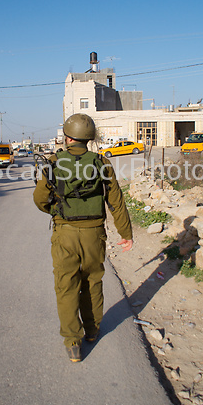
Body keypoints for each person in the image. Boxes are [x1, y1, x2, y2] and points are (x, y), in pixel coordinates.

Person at [33, 113, 133, 362]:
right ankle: (92, 330)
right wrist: (126, 233)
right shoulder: (101, 163)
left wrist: (55, 213)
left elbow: (39, 199)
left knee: (66, 286)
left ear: (67, 137)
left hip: (64, 233)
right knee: (92, 281)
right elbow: (116, 202)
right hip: (94, 234)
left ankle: (73, 342)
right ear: (89, 138)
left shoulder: (53, 163)